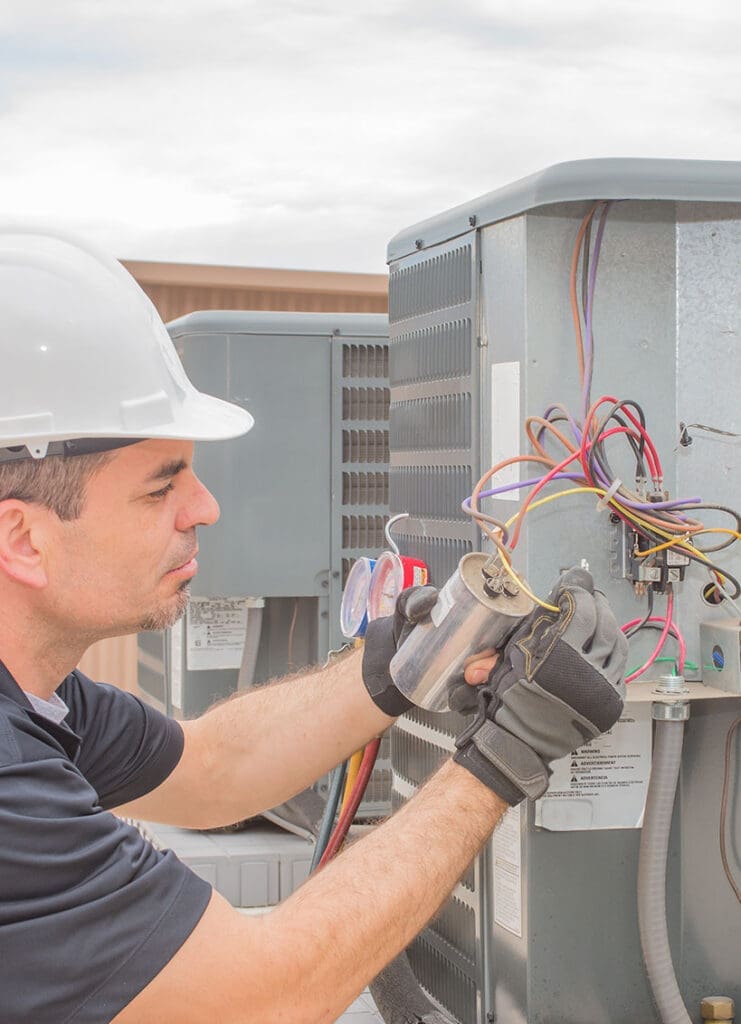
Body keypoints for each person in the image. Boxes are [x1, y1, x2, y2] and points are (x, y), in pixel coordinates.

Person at [0, 229, 628, 1024]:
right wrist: (505, 758)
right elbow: (259, 998)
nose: (205, 508)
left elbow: (211, 768)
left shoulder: (39, 697)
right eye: (161, 490)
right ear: (24, 539)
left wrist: (397, 667)